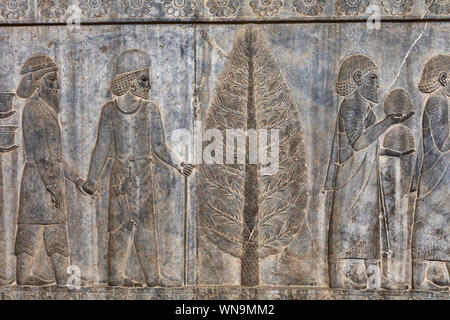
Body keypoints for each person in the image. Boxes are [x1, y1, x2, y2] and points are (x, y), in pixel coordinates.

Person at [82, 49, 194, 287]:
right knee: (120, 225)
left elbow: (160, 146)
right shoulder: (109, 111)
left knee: (145, 226)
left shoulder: (150, 109)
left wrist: (178, 163)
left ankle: (153, 278)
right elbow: (101, 148)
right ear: (130, 81)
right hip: (120, 174)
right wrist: (92, 180)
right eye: (144, 79)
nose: (149, 84)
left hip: (143, 173)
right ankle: (115, 276)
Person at [324, 54, 413, 289]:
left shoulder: (364, 107)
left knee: (371, 228)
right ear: (357, 78)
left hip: (365, 178)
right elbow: (359, 142)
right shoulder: (352, 105)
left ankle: (375, 278)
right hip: (352, 181)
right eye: (372, 78)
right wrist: (387, 123)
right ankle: (348, 277)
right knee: (354, 230)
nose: (377, 84)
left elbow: (372, 143)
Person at [14, 54, 84, 286]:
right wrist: (53, 186)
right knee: (33, 226)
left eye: (57, 80)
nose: (57, 85)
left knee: (52, 226)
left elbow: (57, 156)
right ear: (37, 82)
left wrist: (77, 180)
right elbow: (43, 156)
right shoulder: (35, 109)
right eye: (51, 80)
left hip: (46, 177)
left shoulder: (43, 108)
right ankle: (24, 276)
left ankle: (60, 276)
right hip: (39, 178)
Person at [411, 54, 450, 290]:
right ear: (444, 79)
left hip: (441, 177)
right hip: (436, 178)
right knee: (430, 229)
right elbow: (444, 142)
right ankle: (417, 283)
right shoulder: (437, 103)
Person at [378, 88, 416, 289]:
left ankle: (393, 275)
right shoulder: (401, 132)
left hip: (390, 189)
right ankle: (394, 276)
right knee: (395, 230)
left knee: (388, 230)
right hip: (396, 189)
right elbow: (407, 166)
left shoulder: (387, 132)